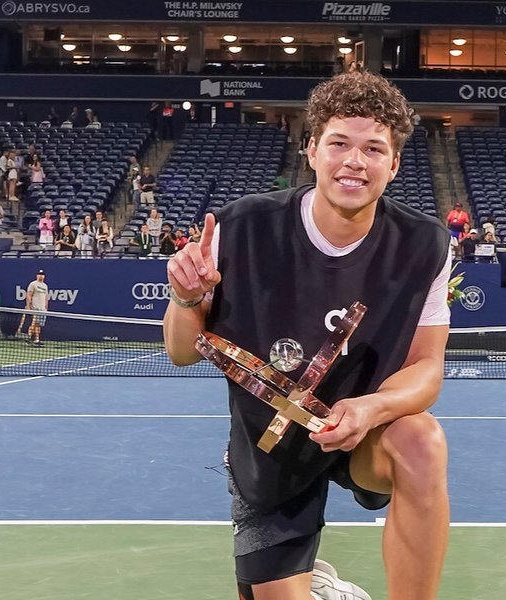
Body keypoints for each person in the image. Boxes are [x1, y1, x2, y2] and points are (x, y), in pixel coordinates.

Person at [163, 71, 450, 600]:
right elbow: (182, 351)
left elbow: (428, 369)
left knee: (422, 440)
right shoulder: (240, 229)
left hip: (364, 431)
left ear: (394, 164)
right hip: (269, 446)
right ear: (312, 149)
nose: (354, 161)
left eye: (374, 148)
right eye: (339, 143)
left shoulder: (425, 244)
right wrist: (185, 299)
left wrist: (370, 409)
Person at [26, 269, 48, 345]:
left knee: (38, 325)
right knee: (34, 323)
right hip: (35, 307)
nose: (41, 276)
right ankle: (29, 338)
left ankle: (37, 340)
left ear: (44, 276)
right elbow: (29, 295)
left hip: (43, 309)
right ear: (37, 276)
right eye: (39, 274)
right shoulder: (33, 284)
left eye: (42, 274)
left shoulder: (45, 286)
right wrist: (29, 305)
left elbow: (46, 297)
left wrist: (46, 307)